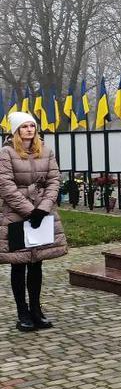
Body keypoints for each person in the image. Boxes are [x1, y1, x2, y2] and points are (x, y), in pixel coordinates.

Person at [0, 112, 67, 332]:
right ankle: (23, 313)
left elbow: (54, 180)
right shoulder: (7, 152)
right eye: (24, 126)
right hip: (16, 214)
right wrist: (29, 211)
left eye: (32, 126)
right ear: (16, 130)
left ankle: (37, 310)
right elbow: (5, 185)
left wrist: (43, 208)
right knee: (19, 263)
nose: (29, 129)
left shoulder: (46, 150)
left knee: (37, 262)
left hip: (42, 212)